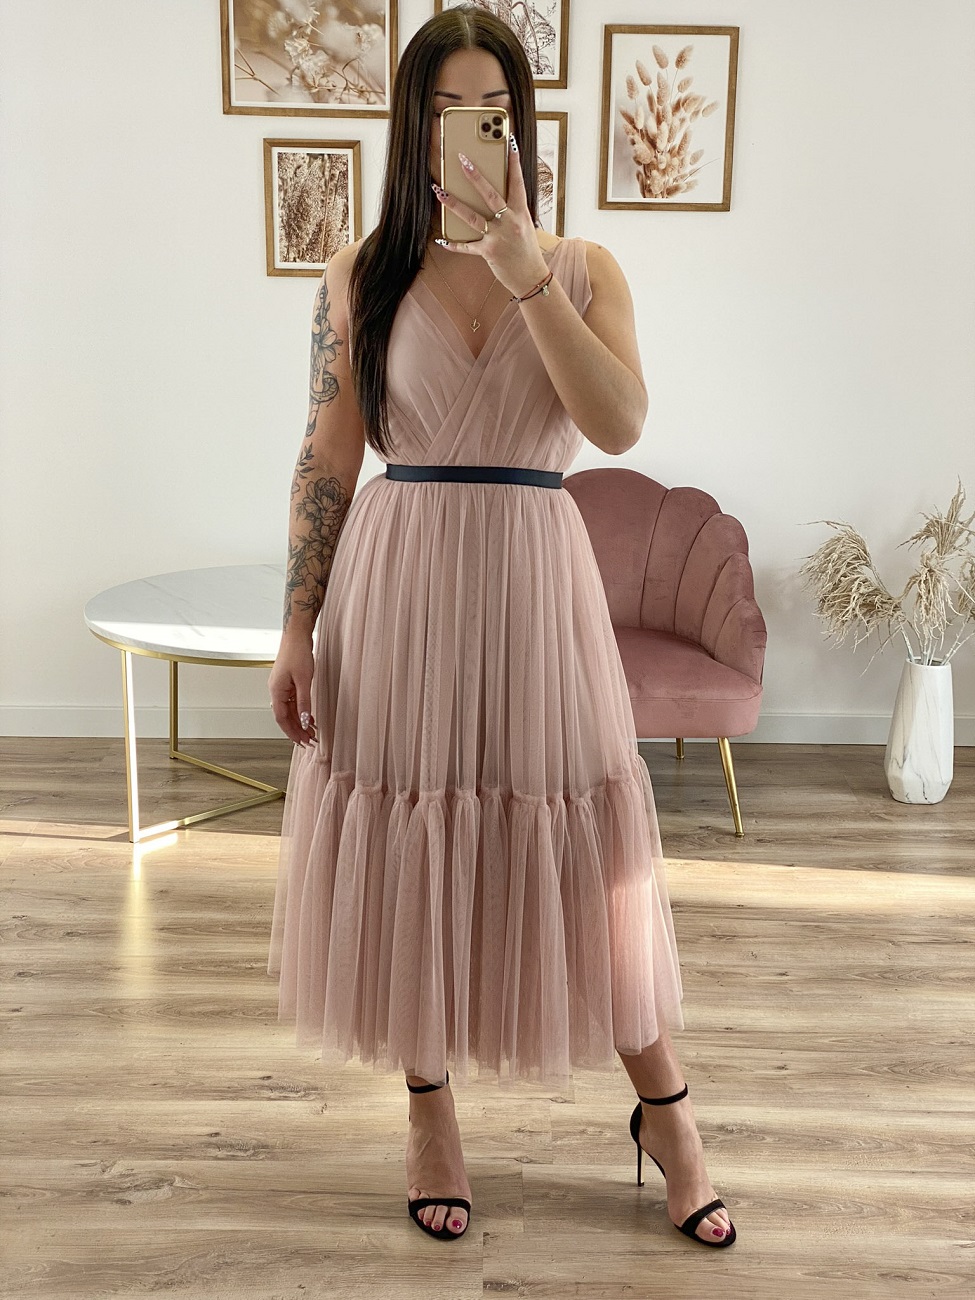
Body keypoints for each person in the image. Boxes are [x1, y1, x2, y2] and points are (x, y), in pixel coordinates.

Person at [266, 5, 735, 1249]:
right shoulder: (359, 275)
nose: (470, 131)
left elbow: (618, 423)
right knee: (411, 838)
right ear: (412, 128)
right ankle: (430, 1109)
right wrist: (297, 622)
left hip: (535, 581)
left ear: (520, 126)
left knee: (589, 849)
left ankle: (670, 1116)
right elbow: (326, 457)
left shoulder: (583, 268)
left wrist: (527, 274)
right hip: (399, 581)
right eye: (445, 111)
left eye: (493, 110)